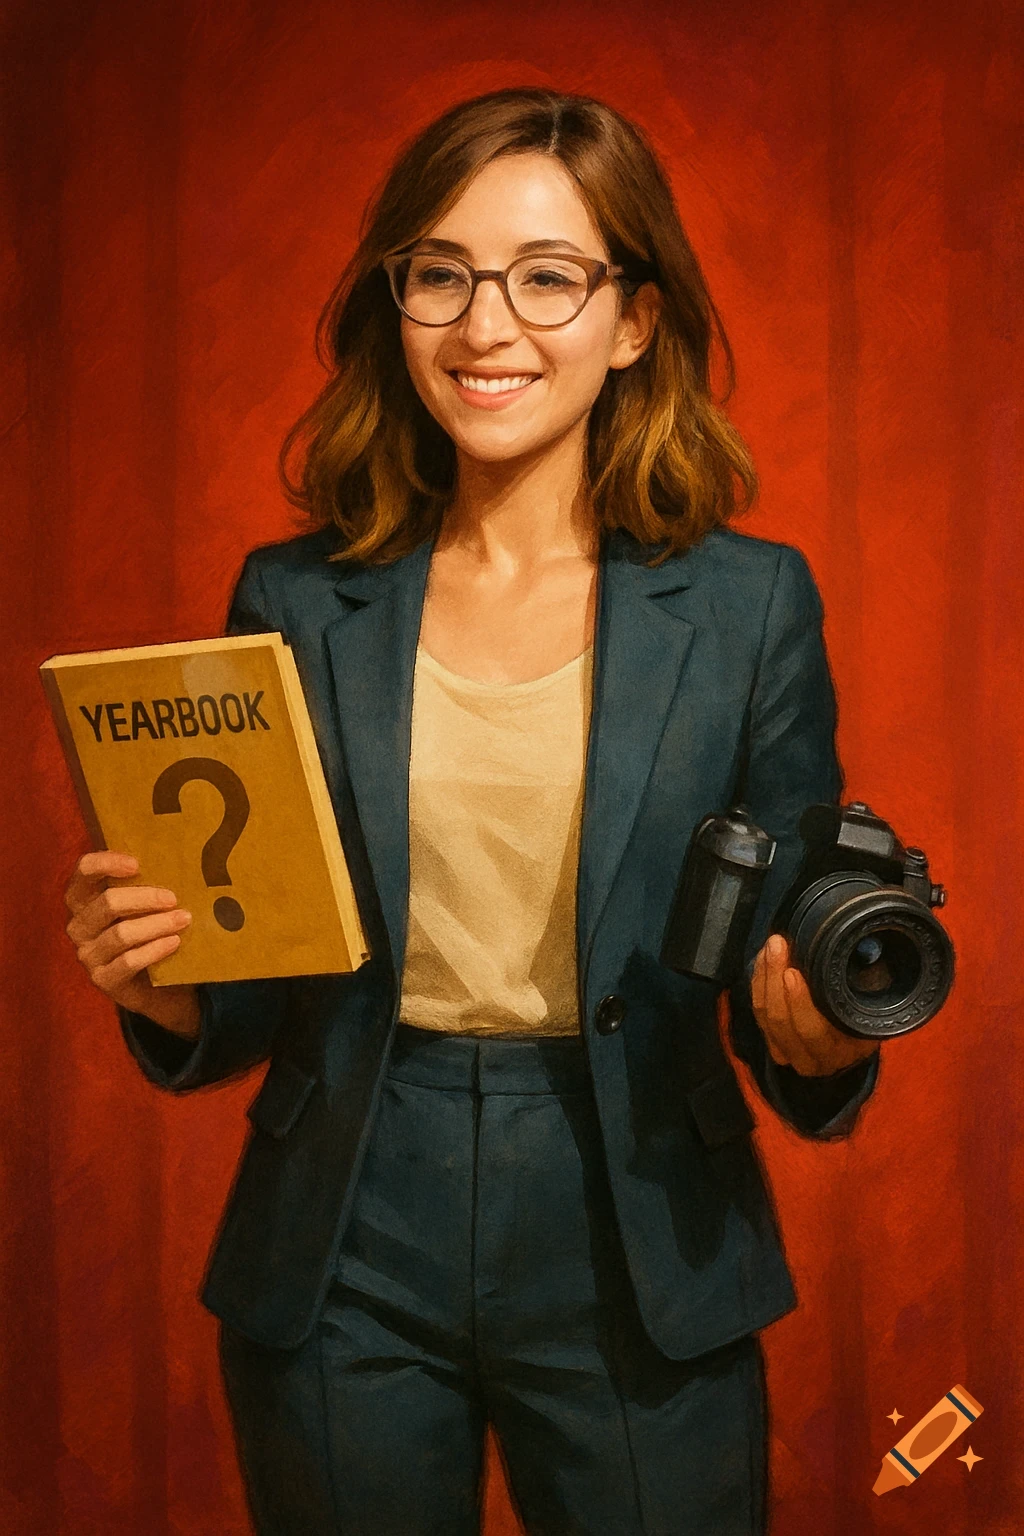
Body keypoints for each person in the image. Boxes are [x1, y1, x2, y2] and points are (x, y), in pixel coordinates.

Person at [62, 88, 881, 1536]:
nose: (484, 325)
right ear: (398, 301)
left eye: (547, 276)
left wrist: (817, 1039)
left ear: (632, 320)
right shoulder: (293, 599)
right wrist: (173, 991)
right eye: (440, 273)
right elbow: (264, 966)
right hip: (347, 1228)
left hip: (644, 1219)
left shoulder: (751, 608)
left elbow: (785, 949)